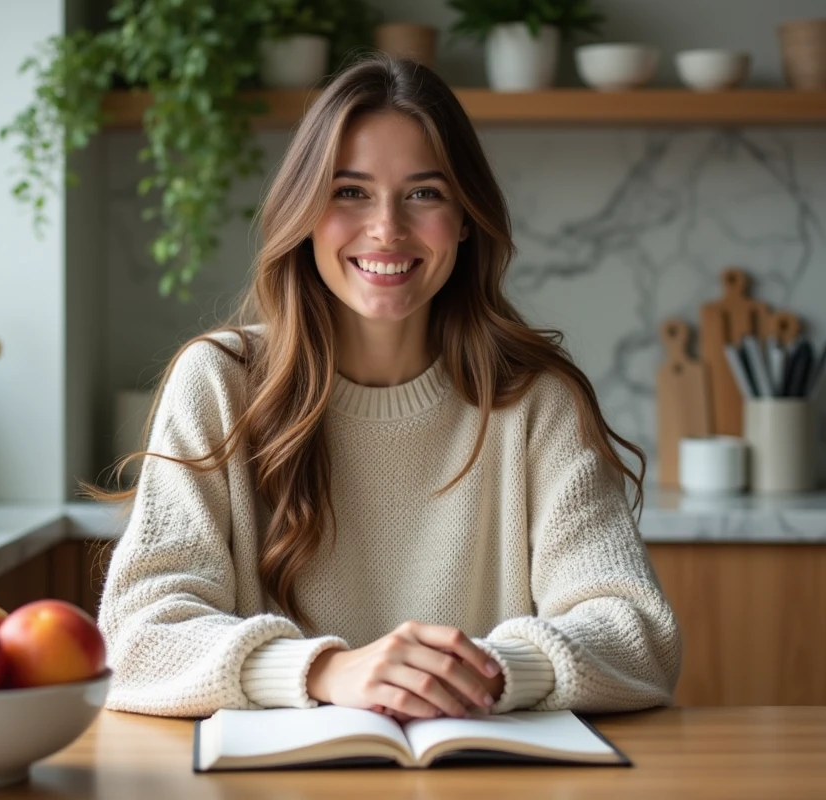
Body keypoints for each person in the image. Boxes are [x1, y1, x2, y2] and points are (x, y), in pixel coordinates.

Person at [91, 54, 681, 722]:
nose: (387, 228)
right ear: (304, 213)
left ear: (465, 218)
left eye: (424, 194)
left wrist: (476, 676)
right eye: (350, 192)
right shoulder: (219, 381)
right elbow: (135, 639)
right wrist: (325, 671)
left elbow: (639, 636)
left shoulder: (537, 401)